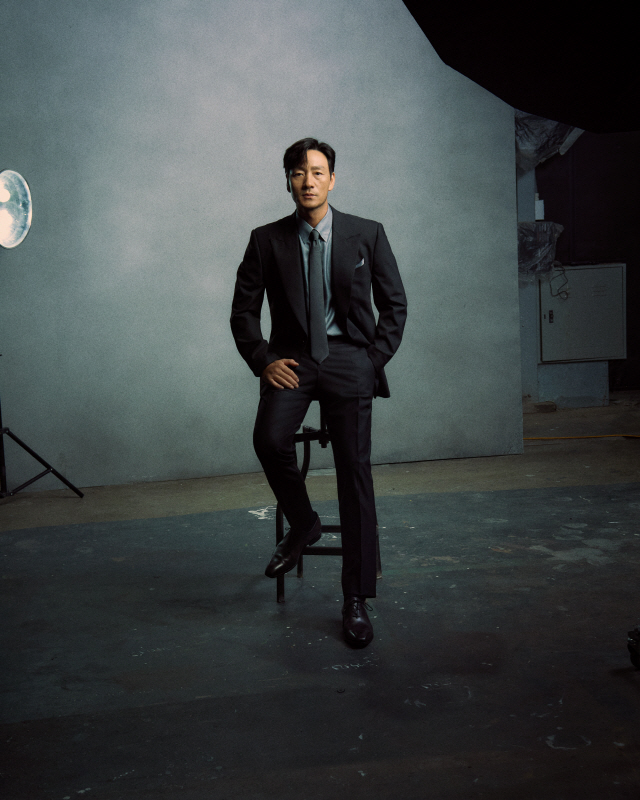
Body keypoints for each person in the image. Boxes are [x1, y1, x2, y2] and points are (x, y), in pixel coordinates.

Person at [230, 138, 407, 648]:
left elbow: (395, 304)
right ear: (287, 181)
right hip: (293, 359)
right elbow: (243, 312)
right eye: (298, 173)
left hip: (350, 358)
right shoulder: (266, 240)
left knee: (354, 471)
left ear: (332, 178)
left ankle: (355, 598)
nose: (307, 181)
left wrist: (372, 360)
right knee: (269, 440)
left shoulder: (366, 233)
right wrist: (264, 360)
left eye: (317, 171)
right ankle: (304, 523)